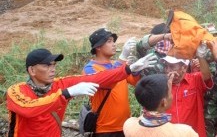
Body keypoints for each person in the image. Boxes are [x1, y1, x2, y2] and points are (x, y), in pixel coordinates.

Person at [6, 47, 157, 137]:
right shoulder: (16, 91)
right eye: (46, 65)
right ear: (32, 70)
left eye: (53, 64)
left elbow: (97, 77)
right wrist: (66, 93)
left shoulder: (59, 84)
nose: (52, 69)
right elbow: (30, 108)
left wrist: (128, 69)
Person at [82, 28, 141, 136]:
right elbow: (107, 81)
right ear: (98, 47)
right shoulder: (90, 69)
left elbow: (135, 82)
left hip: (125, 126)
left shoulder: (118, 64)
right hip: (105, 129)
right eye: (109, 41)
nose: (114, 44)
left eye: (113, 41)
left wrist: (136, 68)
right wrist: (122, 58)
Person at [123, 73, 198, 136]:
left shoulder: (129, 125)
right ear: (163, 102)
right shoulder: (185, 132)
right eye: (170, 92)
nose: (172, 95)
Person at [163, 44, 213, 137]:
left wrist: (200, 56)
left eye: (172, 66)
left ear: (184, 67)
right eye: (166, 66)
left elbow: (206, 76)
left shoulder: (194, 80)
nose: (168, 70)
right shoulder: (161, 85)